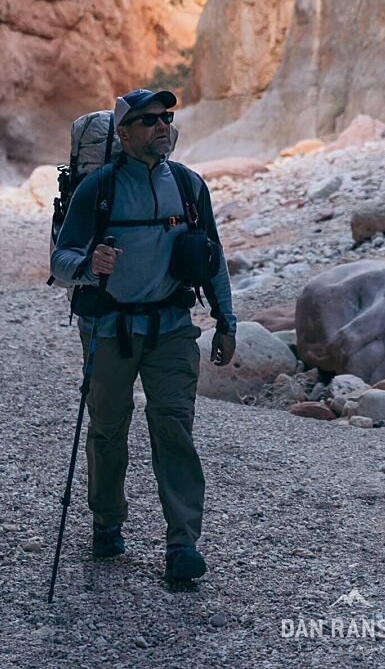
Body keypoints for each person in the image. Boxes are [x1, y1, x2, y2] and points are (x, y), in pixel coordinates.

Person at [50, 88, 237, 582]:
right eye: (149, 119)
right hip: (109, 331)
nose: (161, 126)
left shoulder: (190, 187)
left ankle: (182, 546)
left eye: (166, 118)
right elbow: (60, 261)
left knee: (174, 429)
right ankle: (107, 521)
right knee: (109, 432)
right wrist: (90, 266)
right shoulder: (99, 190)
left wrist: (226, 321)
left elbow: (211, 257)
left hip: (172, 328)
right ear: (125, 134)